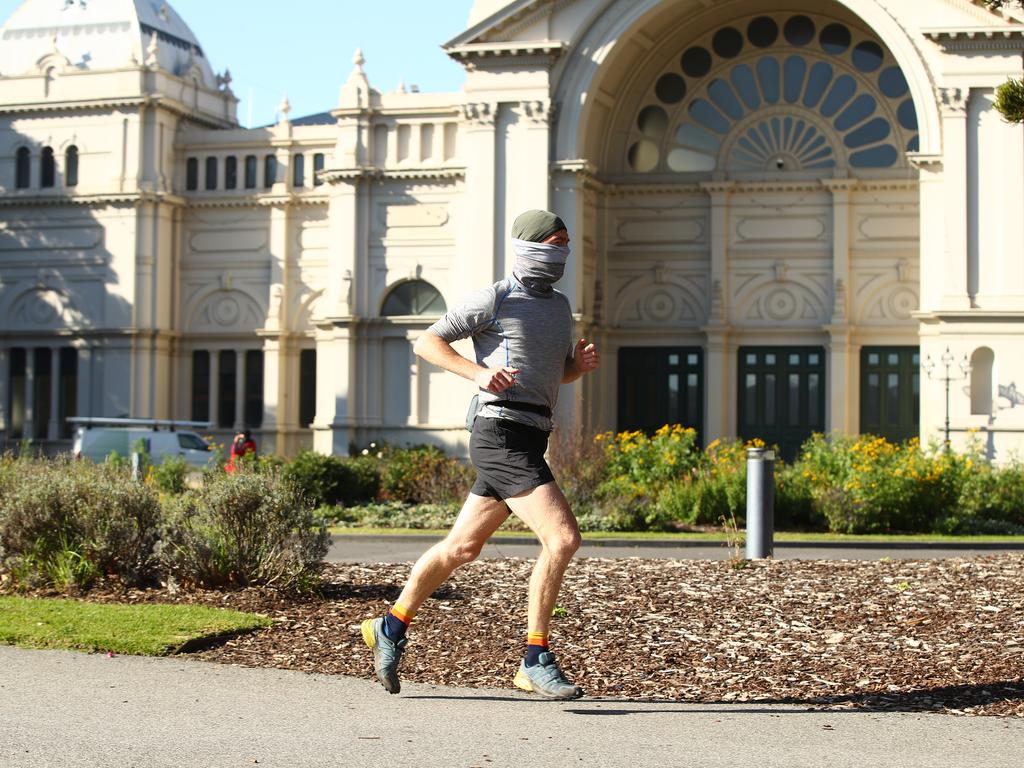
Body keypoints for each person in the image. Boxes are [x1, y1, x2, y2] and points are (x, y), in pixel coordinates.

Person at [361, 209, 600, 699]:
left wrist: (577, 366)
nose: (561, 252)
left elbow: (554, 378)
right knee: (562, 539)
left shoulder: (559, 307)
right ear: (529, 245)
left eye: (566, 244)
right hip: (498, 431)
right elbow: (428, 343)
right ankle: (535, 657)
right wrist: (476, 372)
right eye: (553, 242)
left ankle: (390, 624)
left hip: (532, 433)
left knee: (462, 549)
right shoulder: (496, 296)